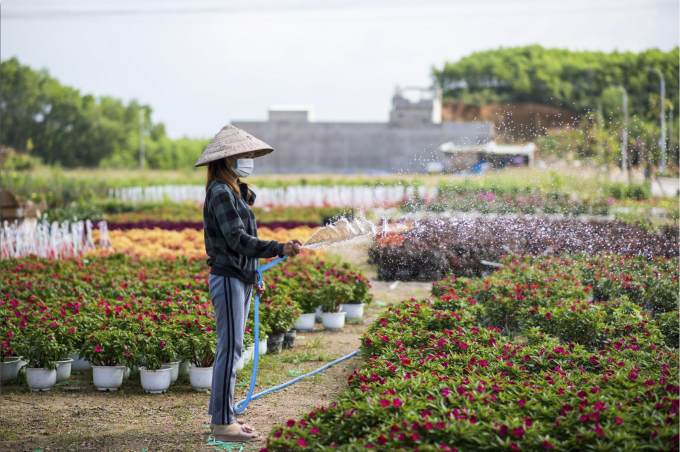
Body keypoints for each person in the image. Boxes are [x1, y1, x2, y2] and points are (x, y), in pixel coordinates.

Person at [195, 125, 302, 442]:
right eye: (243, 155)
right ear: (227, 159)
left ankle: (224, 417)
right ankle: (223, 422)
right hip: (227, 278)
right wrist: (278, 248)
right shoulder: (219, 192)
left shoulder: (233, 192)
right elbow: (237, 240)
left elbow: (244, 241)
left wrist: (255, 274)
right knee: (230, 349)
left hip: (238, 278)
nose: (249, 159)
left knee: (234, 348)